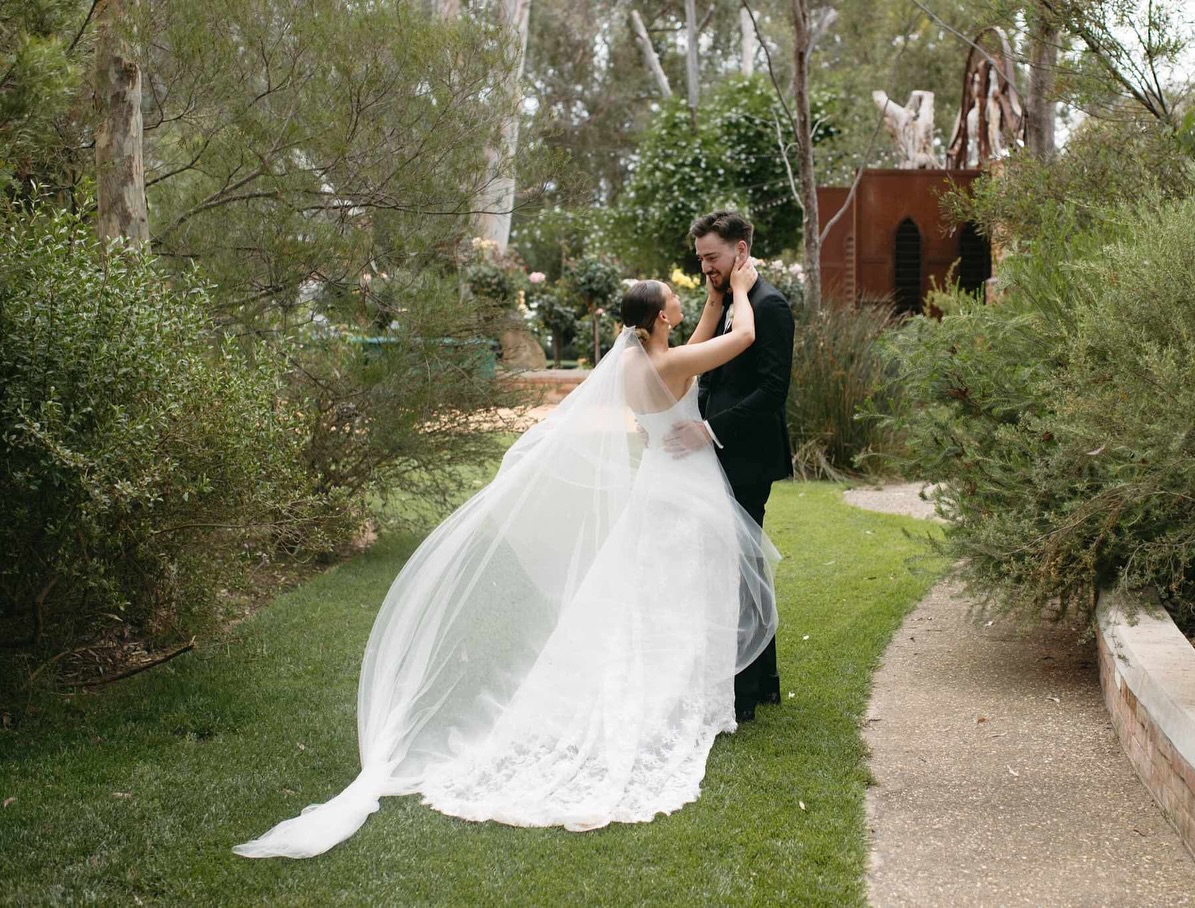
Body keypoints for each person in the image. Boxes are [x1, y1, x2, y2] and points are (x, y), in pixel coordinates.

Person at [233, 261, 778, 858]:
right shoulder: (668, 363)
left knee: (647, 594)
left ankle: (672, 689)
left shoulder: (633, 361)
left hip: (657, 480)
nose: (683, 302)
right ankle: (678, 700)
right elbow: (741, 338)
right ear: (658, 319)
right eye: (675, 299)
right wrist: (743, 293)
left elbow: (694, 343)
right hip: (682, 483)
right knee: (682, 591)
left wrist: (710, 299)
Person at [665, 211, 795, 722]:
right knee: (731, 568)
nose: (704, 269)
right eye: (699, 260)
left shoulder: (772, 306)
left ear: (740, 251)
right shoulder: (722, 302)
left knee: (742, 570)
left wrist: (709, 430)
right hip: (710, 456)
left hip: (746, 456)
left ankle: (746, 694)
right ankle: (758, 684)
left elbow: (771, 392)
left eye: (712, 258)